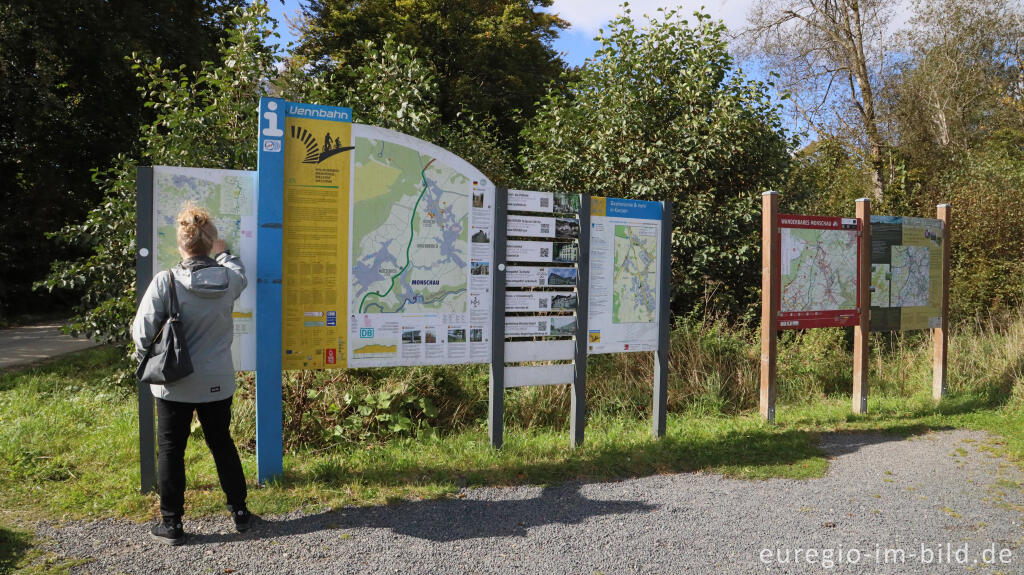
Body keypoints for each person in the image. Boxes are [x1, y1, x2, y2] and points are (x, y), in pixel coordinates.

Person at [132, 202, 251, 545]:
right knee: (222, 443)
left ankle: (172, 524)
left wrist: (148, 358)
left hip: (174, 382)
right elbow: (236, 270)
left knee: (171, 449)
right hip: (217, 381)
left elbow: (141, 333)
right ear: (210, 242)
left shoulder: (165, 281)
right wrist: (224, 253)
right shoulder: (228, 280)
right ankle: (240, 513)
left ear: (182, 245)